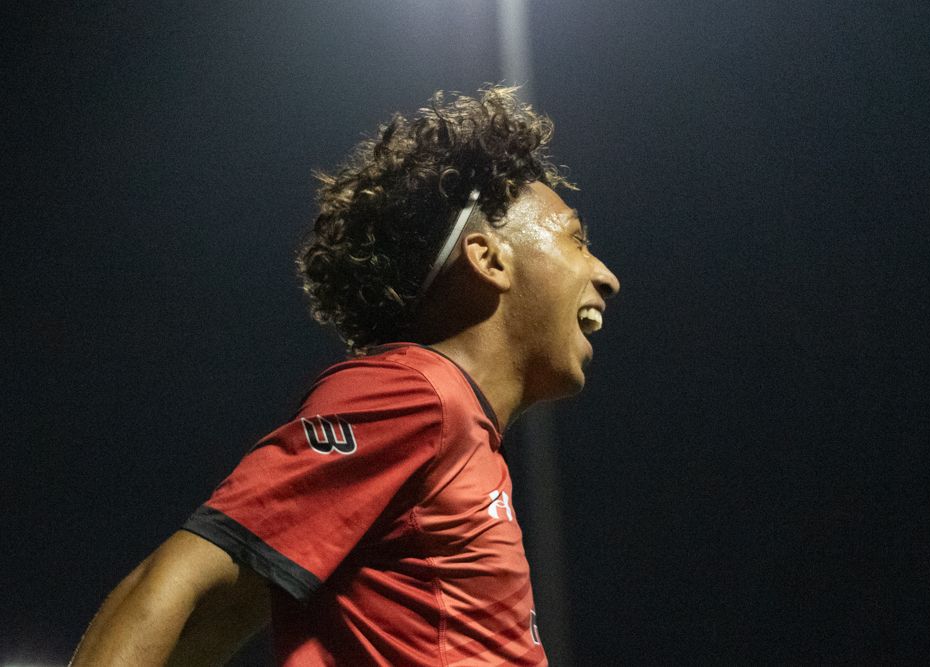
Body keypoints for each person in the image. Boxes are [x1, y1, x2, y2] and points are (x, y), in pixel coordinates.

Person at [69, 86, 619, 667]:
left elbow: (216, 623)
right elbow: (176, 579)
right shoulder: (416, 394)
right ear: (489, 260)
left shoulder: (454, 428)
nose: (606, 276)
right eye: (574, 238)